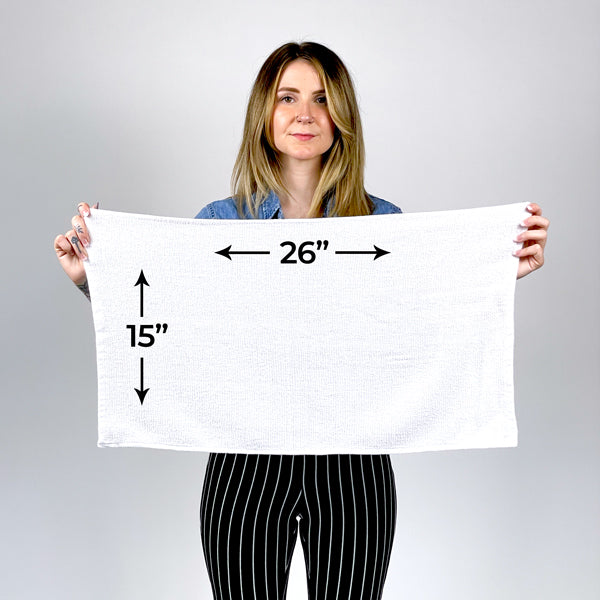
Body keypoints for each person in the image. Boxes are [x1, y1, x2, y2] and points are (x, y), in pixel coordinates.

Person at [54, 41, 549, 600]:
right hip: (243, 463)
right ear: (264, 114)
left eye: (321, 99)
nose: (305, 115)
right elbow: (173, 326)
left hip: (354, 464)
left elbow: (420, 327)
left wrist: (499, 273)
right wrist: (92, 278)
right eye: (287, 98)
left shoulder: (383, 223)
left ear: (342, 116)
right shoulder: (219, 223)